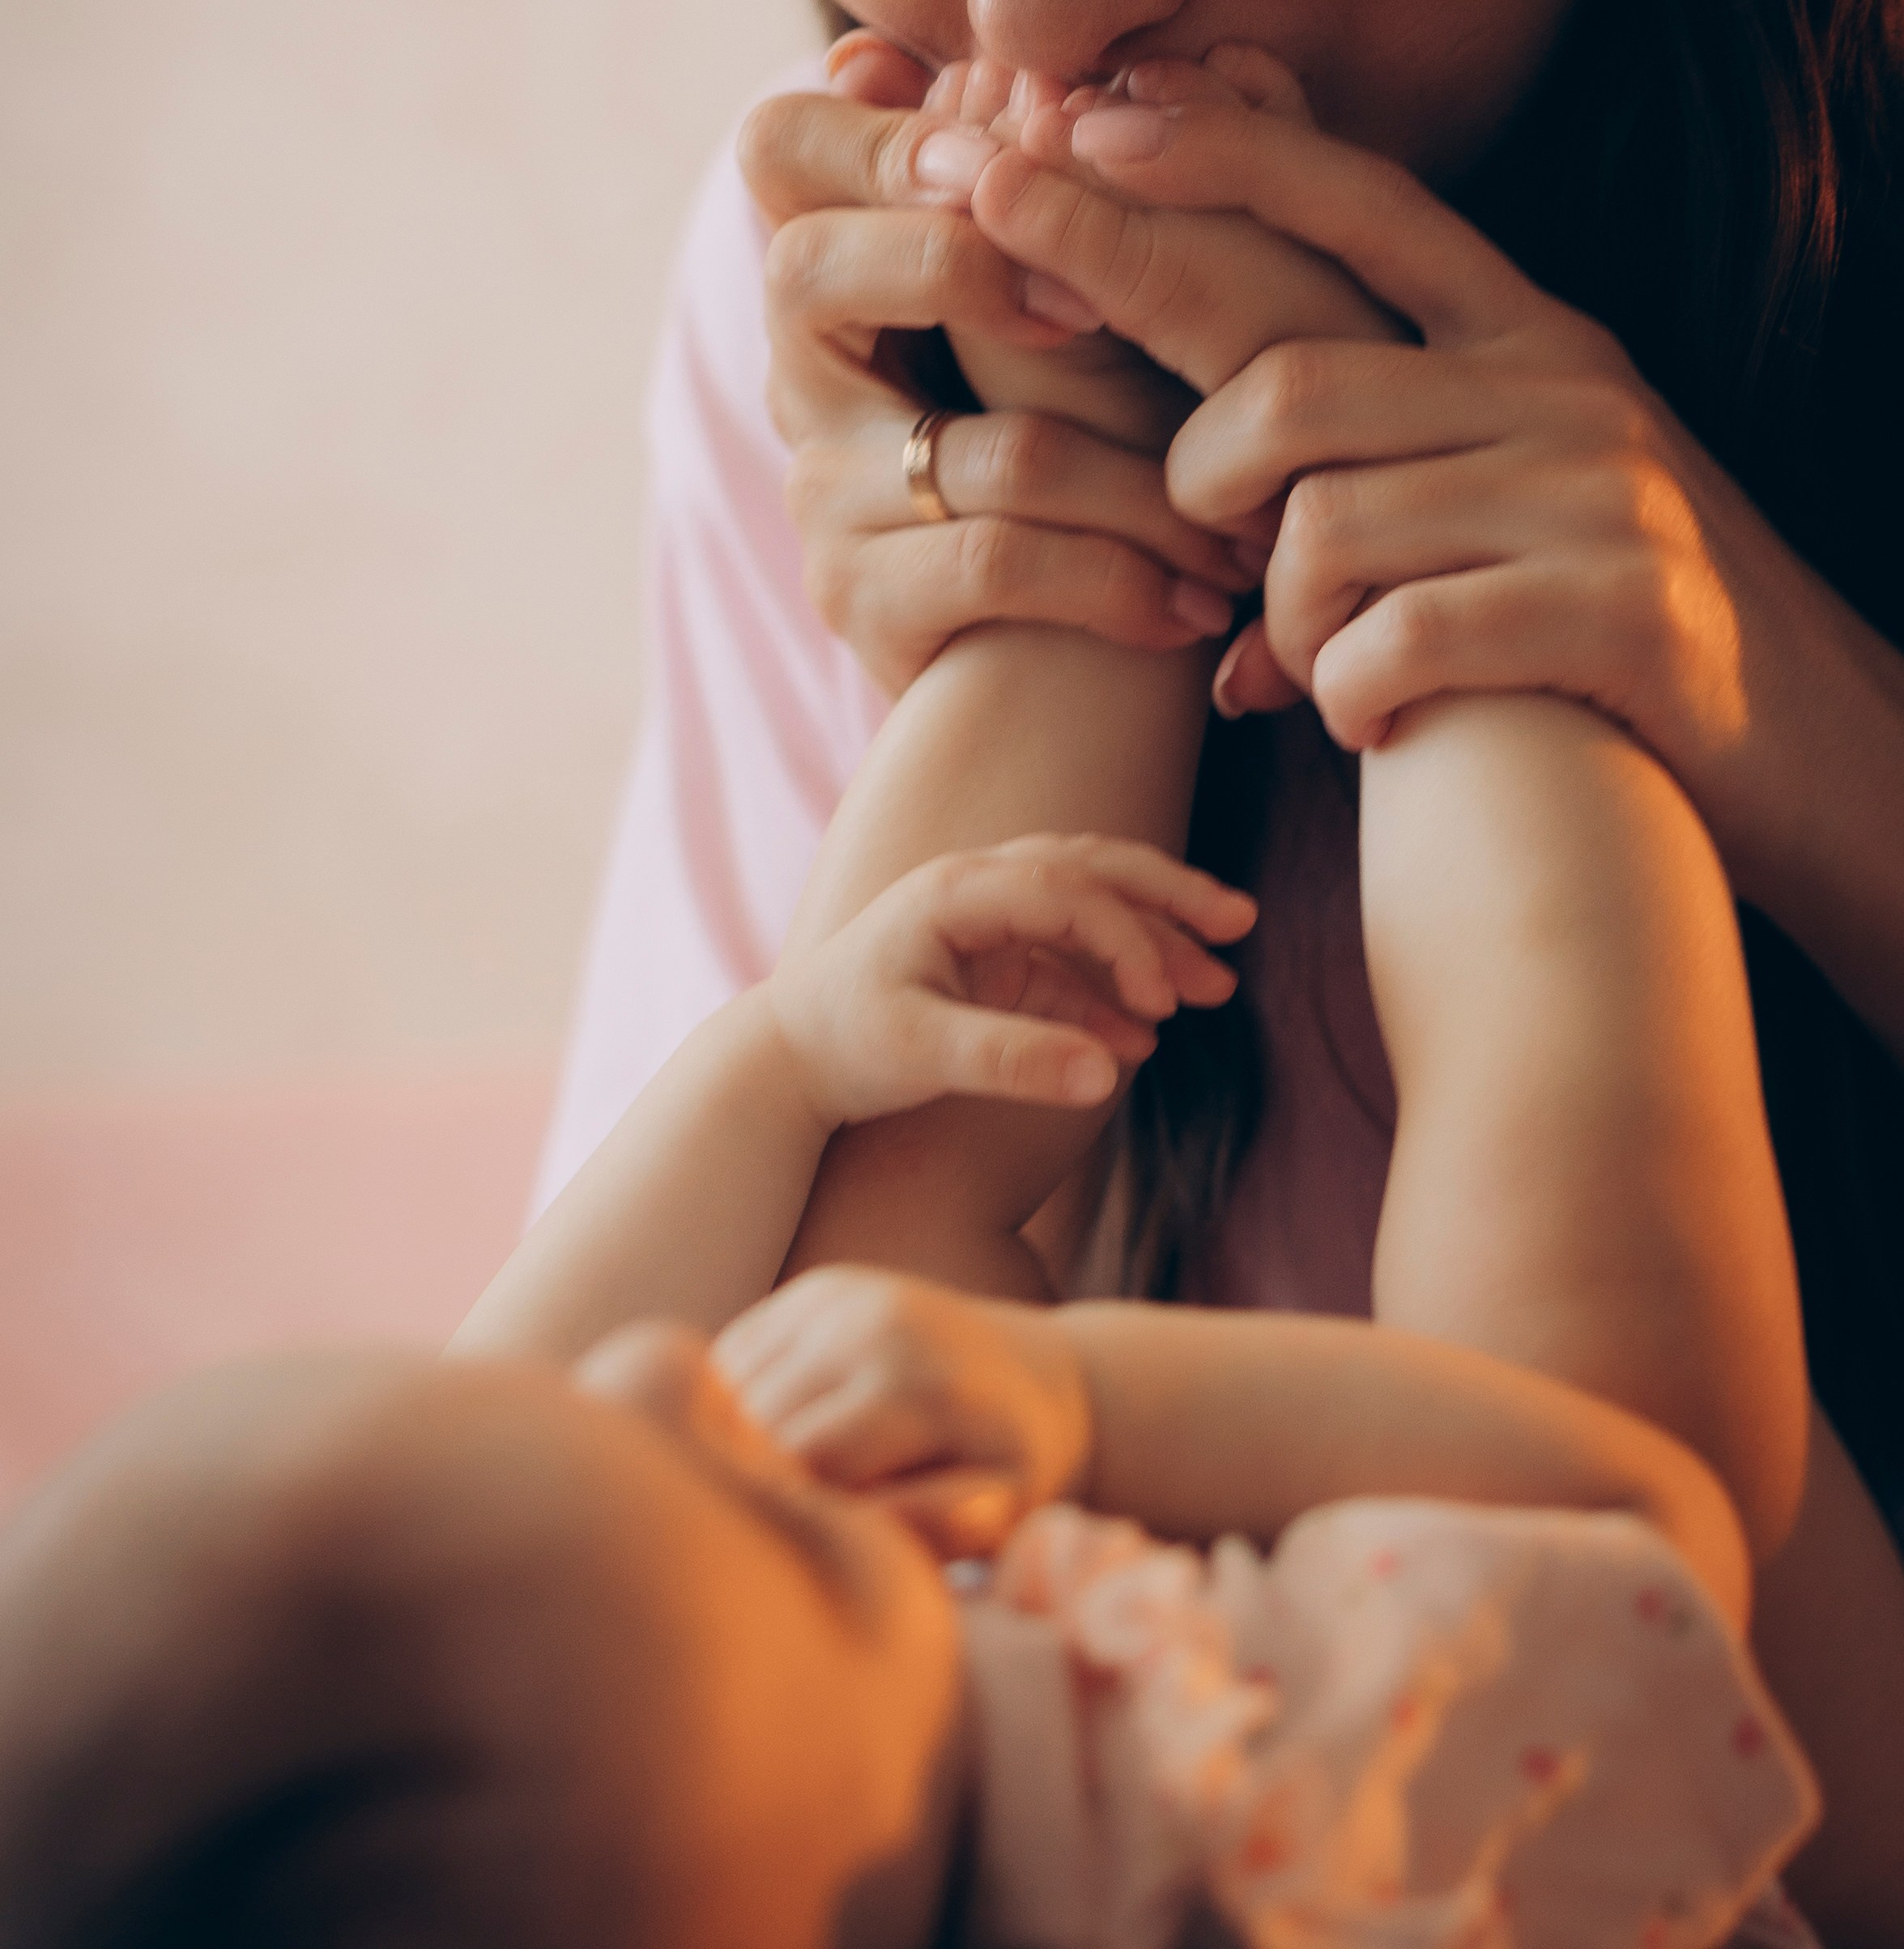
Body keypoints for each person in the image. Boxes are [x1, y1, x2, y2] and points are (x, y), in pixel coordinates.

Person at [526, 0, 1904, 1927]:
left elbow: (1605, 1532)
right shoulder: (821, 294)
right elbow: (651, 1521)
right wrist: (1030, 629)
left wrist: (1766, 698)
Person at [0, 833, 1816, 1949]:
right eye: (750, 1532)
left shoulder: (704, 1796)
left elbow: (537, 1429)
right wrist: (1075, 1401)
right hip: (1537, 1720)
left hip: (1054, 1650)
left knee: (869, 1173)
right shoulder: (1296, 1860)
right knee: (1586, 1290)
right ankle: (1469, 653)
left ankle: (1074, 534)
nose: (654, 1372)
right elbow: (1625, 1518)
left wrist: (789, 1054)